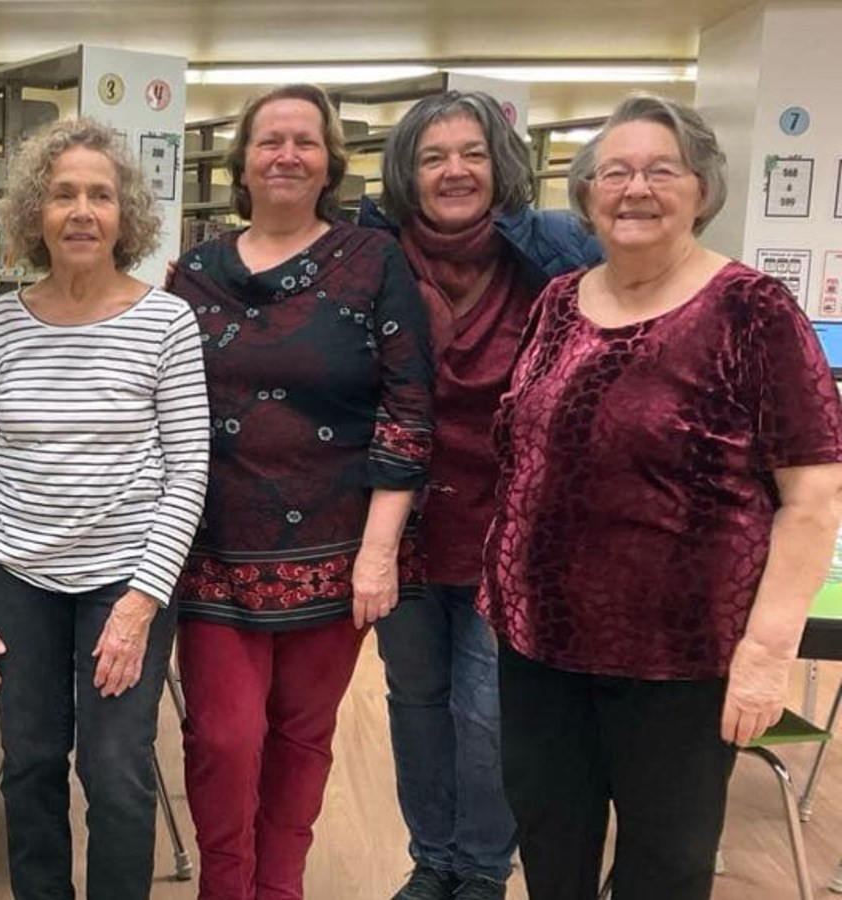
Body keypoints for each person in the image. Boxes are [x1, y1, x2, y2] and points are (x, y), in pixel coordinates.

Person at [480, 94, 842, 900]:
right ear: (586, 194)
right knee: (549, 842)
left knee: (665, 866)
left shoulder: (751, 309)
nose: (634, 188)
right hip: (538, 643)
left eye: (660, 170)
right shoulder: (559, 300)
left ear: (702, 189)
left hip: (680, 659)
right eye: (615, 172)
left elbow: (814, 496)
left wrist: (765, 654)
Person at [165, 83, 434, 900]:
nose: (286, 154)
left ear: (329, 163)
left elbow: (409, 408)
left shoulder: (373, 261)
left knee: (301, 740)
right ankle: (226, 888)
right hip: (212, 552)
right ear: (241, 161)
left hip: (337, 552)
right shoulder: (196, 271)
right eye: (269, 140)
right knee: (223, 738)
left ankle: (279, 888)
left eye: (305, 141)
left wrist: (378, 555)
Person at [0, 118, 210, 899]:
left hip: (123, 581)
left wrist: (139, 604)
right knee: (29, 762)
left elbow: (188, 471)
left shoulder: (167, 321)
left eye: (100, 195)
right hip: (16, 577)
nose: (82, 211)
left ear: (125, 213)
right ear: (36, 212)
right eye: (63, 194)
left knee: (117, 771)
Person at [356, 91, 602, 900]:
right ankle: (434, 860)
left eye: (471, 152)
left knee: (489, 714)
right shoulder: (374, 252)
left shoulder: (557, 251)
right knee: (416, 701)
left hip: (513, 532)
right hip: (404, 520)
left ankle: (482, 870)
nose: (454, 170)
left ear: (501, 164)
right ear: (407, 173)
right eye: (433, 157)